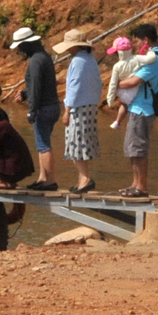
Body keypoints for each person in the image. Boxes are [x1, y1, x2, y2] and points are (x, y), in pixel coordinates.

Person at [114, 23, 158, 197]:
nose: (135, 44)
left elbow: (133, 81)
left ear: (146, 40)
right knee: (132, 148)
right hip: (137, 108)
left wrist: (114, 84)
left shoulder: (155, 59)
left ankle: (141, 187)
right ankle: (135, 183)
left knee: (139, 149)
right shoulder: (148, 57)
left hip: (143, 109)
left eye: (137, 40)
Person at [54, 29, 102, 194]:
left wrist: (67, 109)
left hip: (78, 107)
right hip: (90, 106)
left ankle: (85, 178)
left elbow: (74, 87)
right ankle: (83, 179)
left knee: (76, 144)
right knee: (83, 144)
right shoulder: (90, 60)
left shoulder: (77, 61)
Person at [11, 27, 59, 190]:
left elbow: (37, 86)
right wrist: (25, 93)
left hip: (43, 108)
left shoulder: (36, 60)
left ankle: (50, 181)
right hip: (51, 106)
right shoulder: (44, 57)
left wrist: (32, 110)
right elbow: (40, 84)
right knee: (41, 143)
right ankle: (43, 178)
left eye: (20, 46)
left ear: (26, 44)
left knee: (43, 145)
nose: (19, 50)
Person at [106, 36, 158, 130]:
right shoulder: (137, 59)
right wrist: (149, 50)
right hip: (134, 90)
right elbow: (151, 59)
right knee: (126, 104)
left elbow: (113, 84)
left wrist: (110, 99)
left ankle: (117, 122)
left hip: (122, 91)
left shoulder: (117, 66)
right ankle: (118, 122)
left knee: (123, 104)